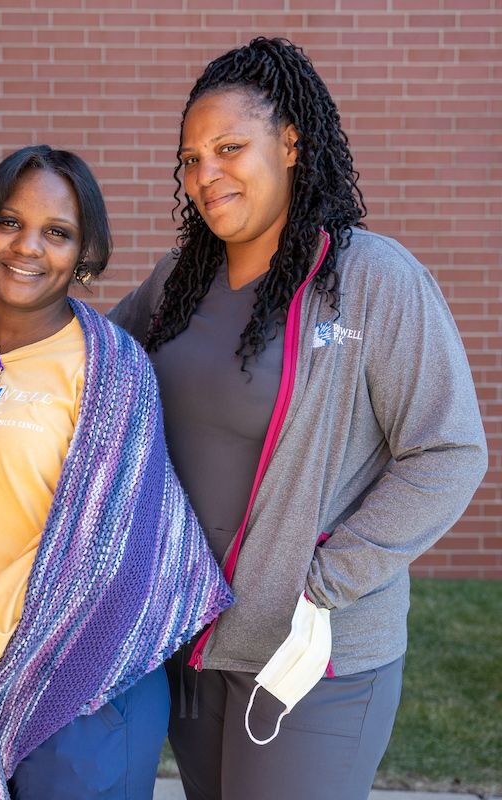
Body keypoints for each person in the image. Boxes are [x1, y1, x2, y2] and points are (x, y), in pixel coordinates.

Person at [108, 38, 488, 800]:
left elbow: (448, 452)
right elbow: (87, 377)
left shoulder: (374, 281)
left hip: (314, 654)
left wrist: (320, 584)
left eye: (228, 148)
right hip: (195, 645)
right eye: (190, 159)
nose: (204, 175)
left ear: (290, 143)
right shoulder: (175, 285)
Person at [0, 145, 233, 799]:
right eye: (10, 222)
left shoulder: (113, 372)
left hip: (82, 691)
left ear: (86, 255)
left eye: (57, 233)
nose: (28, 247)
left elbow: (95, 552)